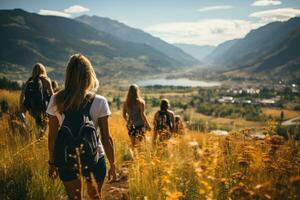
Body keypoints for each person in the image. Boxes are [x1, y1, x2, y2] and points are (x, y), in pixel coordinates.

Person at [47, 54, 117, 199]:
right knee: (94, 197)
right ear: (88, 75)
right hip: (95, 158)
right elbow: (106, 138)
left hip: (66, 159)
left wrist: (52, 163)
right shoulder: (100, 101)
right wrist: (113, 165)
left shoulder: (56, 99)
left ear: (69, 74)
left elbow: (52, 138)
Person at [19, 63, 54, 134]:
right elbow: (53, 97)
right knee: (42, 130)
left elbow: (22, 95)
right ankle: (39, 141)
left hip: (31, 110)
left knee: (33, 129)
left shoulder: (29, 81)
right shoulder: (46, 80)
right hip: (43, 110)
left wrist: (22, 110)